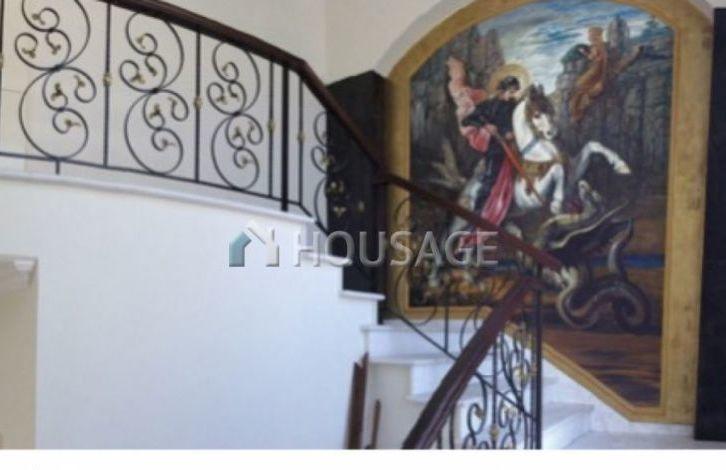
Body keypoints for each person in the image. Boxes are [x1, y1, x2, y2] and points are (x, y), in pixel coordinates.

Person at [569, 26, 608, 122]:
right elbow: (592, 57)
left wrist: (600, 81)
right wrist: (585, 53)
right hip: (594, 70)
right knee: (578, 87)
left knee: (579, 86)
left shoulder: (599, 46)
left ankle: (578, 111)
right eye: (589, 35)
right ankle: (577, 112)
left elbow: (601, 61)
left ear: (596, 35)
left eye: (591, 35)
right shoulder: (596, 46)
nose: (589, 37)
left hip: (596, 71)